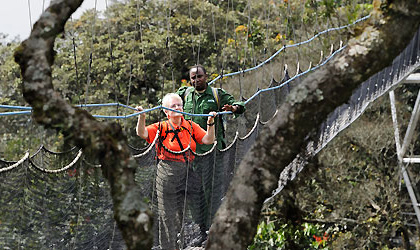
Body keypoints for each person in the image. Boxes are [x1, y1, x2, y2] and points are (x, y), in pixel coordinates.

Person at [136, 93, 216, 250]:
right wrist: (142, 117)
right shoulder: (161, 127)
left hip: (187, 172)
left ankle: (188, 240)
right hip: (167, 173)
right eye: (173, 106)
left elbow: (208, 140)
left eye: (179, 105)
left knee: (187, 210)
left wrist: (210, 124)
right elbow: (142, 133)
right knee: (167, 214)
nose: (178, 107)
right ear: (166, 111)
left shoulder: (190, 125)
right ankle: (169, 247)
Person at [176, 65, 245, 154]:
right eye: (193, 78)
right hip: (190, 149)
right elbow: (167, 103)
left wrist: (233, 108)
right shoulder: (185, 94)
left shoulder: (216, 94)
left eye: (199, 76)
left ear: (206, 76)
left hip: (213, 149)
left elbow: (240, 105)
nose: (197, 80)